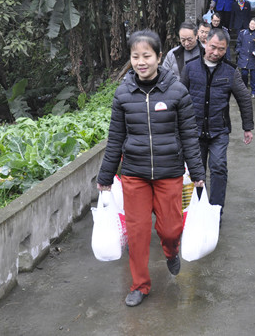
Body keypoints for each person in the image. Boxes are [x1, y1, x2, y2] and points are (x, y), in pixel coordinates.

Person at [97, 30, 205, 307]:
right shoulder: (122, 95)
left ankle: (171, 252)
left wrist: (198, 172)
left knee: (170, 230)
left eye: (147, 56)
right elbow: (115, 139)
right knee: (137, 233)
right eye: (135, 56)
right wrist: (106, 176)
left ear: (159, 57)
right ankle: (140, 285)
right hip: (134, 175)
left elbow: (190, 136)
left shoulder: (177, 92)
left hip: (169, 173)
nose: (141, 62)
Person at [180, 28, 253, 218]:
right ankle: (196, 210)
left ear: (226, 49)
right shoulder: (190, 67)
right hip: (194, 131)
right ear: (204, 43)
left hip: (218, 131)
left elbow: (244, 98)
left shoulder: (230, 71)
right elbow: (178, 98)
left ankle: (215, 212)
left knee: (219, 167)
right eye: (213, 47)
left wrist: (248, 127)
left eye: (221, 49)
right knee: (196, 172)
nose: (216, 52)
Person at [236, 17, 255, 98]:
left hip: (253, 58)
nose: (252, 25)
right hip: (243, 56)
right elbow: (238, 43)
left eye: (254, 24)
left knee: (253, 74)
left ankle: (254, 91)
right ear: (249, 24)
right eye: (251, 24)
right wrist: (239, 51)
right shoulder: (243, 33)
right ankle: (244, 90)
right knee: (244, 73)